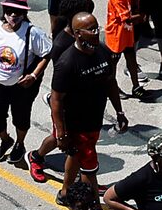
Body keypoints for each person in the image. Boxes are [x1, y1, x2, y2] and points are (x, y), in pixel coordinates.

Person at [29, 10, 124, 183]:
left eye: (96, 28)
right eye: (91, 29)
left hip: (94, 118)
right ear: (78, 34)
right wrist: (61, 132)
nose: (96, 32)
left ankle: (71, 183)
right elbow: (56, 99)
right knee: (80, 155)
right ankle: (78, 186)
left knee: (76, 154)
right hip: (73, 121)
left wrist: (120, 112)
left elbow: (111, 82)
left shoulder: (103, 51)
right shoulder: (67, 63)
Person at [0, 0, 50, 167]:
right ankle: (5, 140)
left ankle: (19, 144)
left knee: (21, 118)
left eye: (18, 11)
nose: (13, 15)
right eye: (9, 11)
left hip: (20, 87)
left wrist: (33, 75)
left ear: (24, 13)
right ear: (4, 10)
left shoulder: (32, 32)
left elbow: (46, 54)